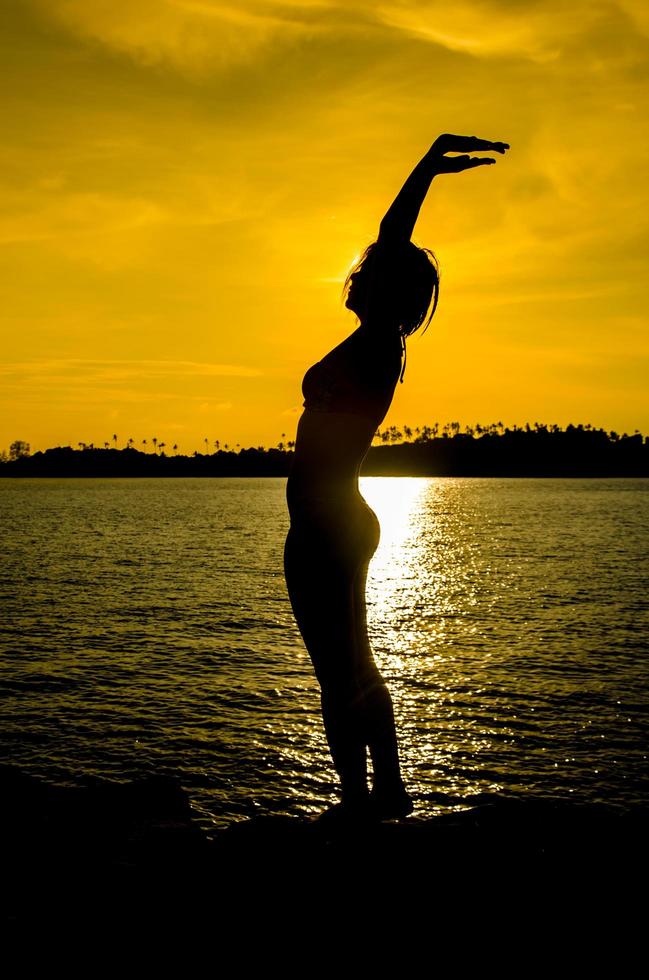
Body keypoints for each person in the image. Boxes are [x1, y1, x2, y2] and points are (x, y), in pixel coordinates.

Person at [284, 133, 510, 820]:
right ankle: (387, 791)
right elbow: (384, 243)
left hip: (328, 522)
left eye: (369, 273)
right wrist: (430, 164)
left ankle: (360, 801)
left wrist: (425, 169)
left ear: (386, 291)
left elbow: (389, 237)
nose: (355, 276)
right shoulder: (375, 343)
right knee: (355, 660)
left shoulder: (381, 341)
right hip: (337, 516)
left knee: (336, 670)